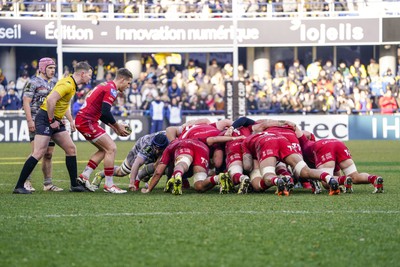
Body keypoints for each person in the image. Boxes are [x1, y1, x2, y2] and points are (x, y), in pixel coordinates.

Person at [13, 61, 93, 194]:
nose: (90, 78)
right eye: (89, 75)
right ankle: (19, 186)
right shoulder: (67, 84)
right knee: (39, 152)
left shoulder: (70, 83)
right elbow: (51, 101)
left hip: (55, 120)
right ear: (83, 73)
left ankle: (74, 185)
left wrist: (68, 119)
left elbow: (62, 104)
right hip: (45, 118)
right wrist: (51, 121)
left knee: (71, 148)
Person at [75, 68, 133, 194]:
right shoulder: (112, 89)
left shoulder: (106, 85)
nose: (129, 86)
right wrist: (117, 126)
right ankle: (109, 185)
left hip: (85, 120)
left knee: (104, 149)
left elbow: (101, 113)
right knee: (111, 148)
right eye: (128, 83)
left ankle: (84, 176)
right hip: (87, 121)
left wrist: (114, 127)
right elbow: (106, 111)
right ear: (122, 80)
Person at [296, 129, 384, 194]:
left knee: (326, 182)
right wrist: (340, 180)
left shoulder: (303, 146)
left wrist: (282, 124)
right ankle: (375, 179)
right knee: (354, 176)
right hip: (337, 143)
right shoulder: (310, 141)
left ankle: (345, 179)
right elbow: (337, 174)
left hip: (323, 148)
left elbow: (297, 129)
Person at [21, 57, 62, 192]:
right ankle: (26, 181)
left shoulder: (55, 83)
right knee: (36, 152)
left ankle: (48, 184)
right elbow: (26, 102)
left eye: (54, 68)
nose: (52, 70)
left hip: (50, 121)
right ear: (42, 68)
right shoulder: (32, 82)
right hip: (36, 120)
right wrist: (29, 121)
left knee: (49, 153)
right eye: (50, 68)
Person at [91, 131, 169, 192]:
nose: (158, 151)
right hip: (140, 148)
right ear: (153, 145)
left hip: (160, 150)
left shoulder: (171, 141)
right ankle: (101, 174)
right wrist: (132, 183)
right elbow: (137, 163)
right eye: (156, 148)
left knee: (156, 168)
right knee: (122, 171)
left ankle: (140, 176)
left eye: (160, 149)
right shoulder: (147, 145)